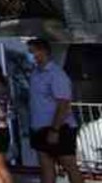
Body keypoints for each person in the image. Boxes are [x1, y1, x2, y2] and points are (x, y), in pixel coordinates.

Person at [27, 37, 84, 183]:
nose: (30, 55)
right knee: (46, 166)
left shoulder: (56, 74)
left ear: (43, 51)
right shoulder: (35, 73)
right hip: (38, 128)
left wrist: (55, 130)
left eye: (32, 51)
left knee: (69, 165)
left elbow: (63, 104)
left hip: (59, 128)